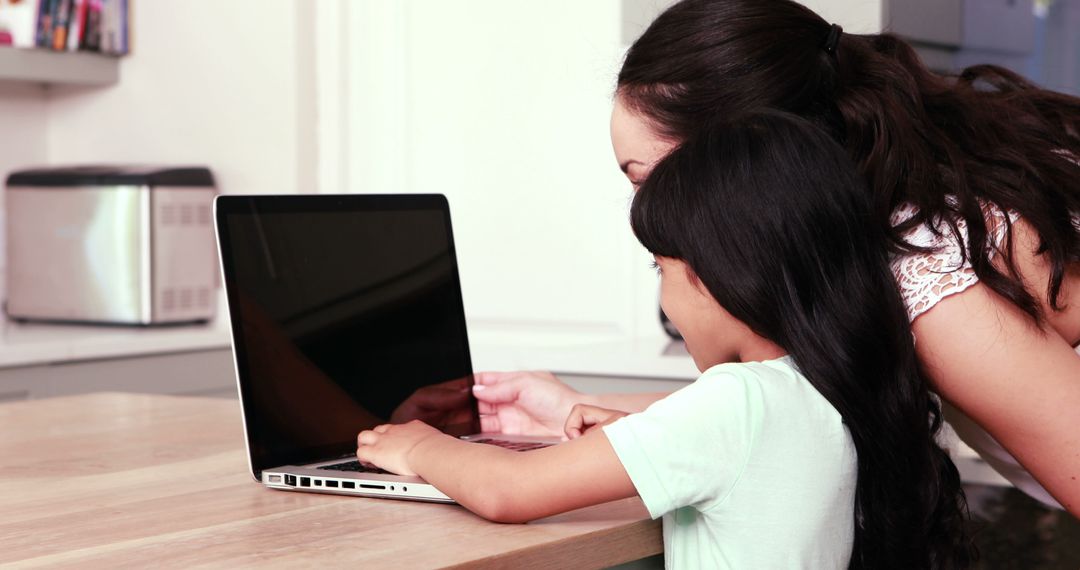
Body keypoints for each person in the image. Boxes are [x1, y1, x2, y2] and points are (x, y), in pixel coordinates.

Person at [473, 0, 1080, 515]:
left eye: (648, 181)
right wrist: (575, 410)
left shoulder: (928, 281)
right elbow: (781, 404)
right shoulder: (875, 231)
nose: (647, 216)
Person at [358, 112, 973, 569]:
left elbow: (507, 491)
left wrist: (419, 448)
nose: (664, 297)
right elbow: (728, 444)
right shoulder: (830, 385)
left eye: (662, 269)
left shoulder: (735, 401)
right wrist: (618, 426)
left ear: (715, 277)